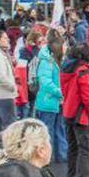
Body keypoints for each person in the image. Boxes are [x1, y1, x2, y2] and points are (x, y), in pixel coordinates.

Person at [61, 43, 89, 177]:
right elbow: (88, 98)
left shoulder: (66, 69)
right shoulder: (83, 72)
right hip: (80, 115)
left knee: (73, 146)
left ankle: (71, 175)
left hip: (68, 110)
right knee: (85, 148)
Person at [35, 37, 68, 165]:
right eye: (64, 46)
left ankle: (62, 155)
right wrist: (61, 92)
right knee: (47, 132)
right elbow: (45, 82)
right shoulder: (47, 62)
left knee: (60, 129)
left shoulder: (56, 61)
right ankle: (44, 159)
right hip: (48, 102)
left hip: (58, 102)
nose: (66, 48)